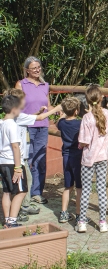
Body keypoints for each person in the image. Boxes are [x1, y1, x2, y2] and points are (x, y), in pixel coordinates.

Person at [3, 89, 62, 222]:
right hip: (17, 160)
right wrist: (57, 108)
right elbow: (39, 119)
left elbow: (31, 117)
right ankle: (18, 212)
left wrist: (38, 113)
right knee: (22, 187)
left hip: (5, 160)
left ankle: (12, 214)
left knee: (8, 190)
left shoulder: (8, 120)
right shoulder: (17, 119)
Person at [77, 85, 108, 233]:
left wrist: (79, 147)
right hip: (102, 158)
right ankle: (102, 222)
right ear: (101, 98)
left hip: (88, 159)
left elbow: (84, 141)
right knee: (102, 190)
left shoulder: (86, 118)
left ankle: (82, 222)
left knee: (86, 190)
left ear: (87, 100)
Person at [15, 56, 54, 204]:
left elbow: (48, 105)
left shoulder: (45, 85)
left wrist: (60, 111)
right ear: (27, 70)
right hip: (26, 127)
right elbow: (16, 106)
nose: (37, 70)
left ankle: (37, 193)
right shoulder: (21, 84)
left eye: (39, 67)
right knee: (27, 159)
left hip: (42, 126)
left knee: (40, 160)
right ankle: (25, 193)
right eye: (34, 68)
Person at [0, 95, 27, 228]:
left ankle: (6, 219)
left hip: (3, 162)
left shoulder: (1, 123)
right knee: (21, 191)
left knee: (6, 191)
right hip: (12, 162)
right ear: (15, 109)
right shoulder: (12, 125)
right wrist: (18, 167)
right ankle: (12, 220)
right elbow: (15, 147)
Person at [56, 97, 83, 225]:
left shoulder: (61, 123)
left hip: (66, 156)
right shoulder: (80, 123)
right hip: (78, 157)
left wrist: (62, 115)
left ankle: (63, 213)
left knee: (68, 187)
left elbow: (58, 122)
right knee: (79, 188)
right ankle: (79, 215)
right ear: (77, 111)